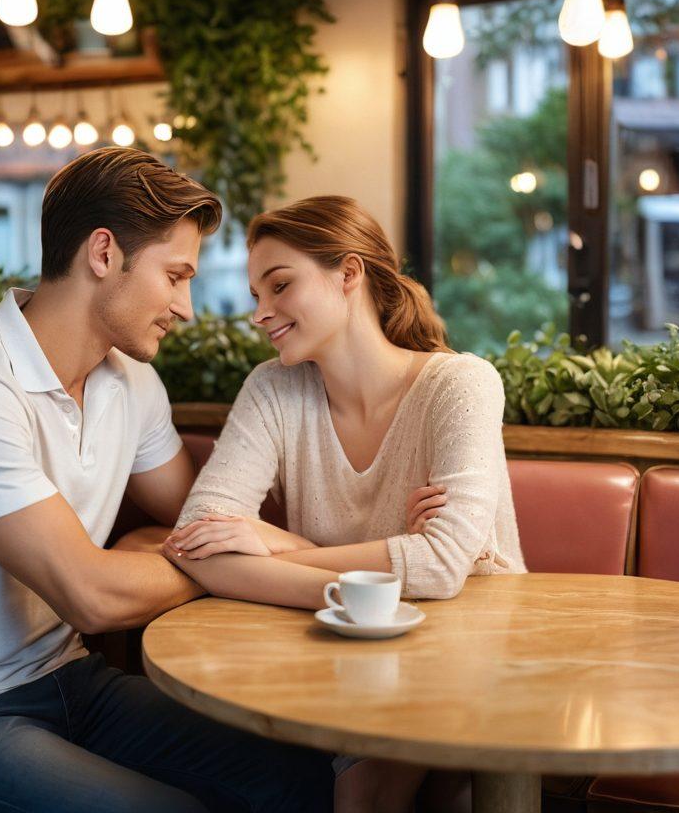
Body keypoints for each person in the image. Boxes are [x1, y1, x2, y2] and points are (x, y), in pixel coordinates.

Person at [0, 148, 334, 813]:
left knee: (299, 769)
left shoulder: (132, 381)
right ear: (104, 254)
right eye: (174, 276)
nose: (186, 307)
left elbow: (193, 519)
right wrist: (235, 559)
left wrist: (201, 548)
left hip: (69, 680)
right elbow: (93, 596)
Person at [160, 196, 527, 813]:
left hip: (467, 653)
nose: (261, 313)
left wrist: (285, 549)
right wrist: (374, 561)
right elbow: (196, 541)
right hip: (344, 657)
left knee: (385, 785)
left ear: (349, 274)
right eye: (256, 295)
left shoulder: (460, 384)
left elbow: (440, 569)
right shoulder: (274, 388)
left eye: (279, 286)